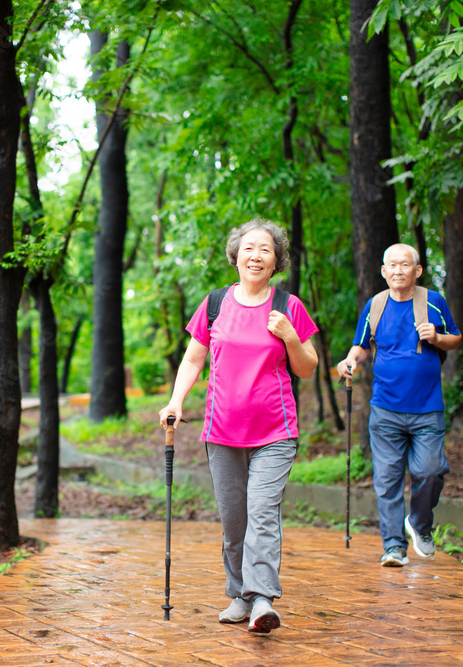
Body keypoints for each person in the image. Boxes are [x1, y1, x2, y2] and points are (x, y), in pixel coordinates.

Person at [159, 218, 319, 633]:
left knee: (262, 514)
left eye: (265, 249)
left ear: (276, 260)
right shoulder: (215, 304)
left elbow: (308, 368)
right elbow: (194, 358)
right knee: (234, 521)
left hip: (275, 432)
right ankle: (240, 596)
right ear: (236, 256)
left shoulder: (288, 306)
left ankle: (263, 599)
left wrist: (290, 338)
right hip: (222, 430)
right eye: (249, 247)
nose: (256, 255)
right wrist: (176, 401)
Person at [336, 243, 461, 567]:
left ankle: (419, 525)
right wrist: (350, 362)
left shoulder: (433, 302)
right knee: (388, 481)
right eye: (391, 265)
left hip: (427, 408)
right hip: (386, 409)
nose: (398, 271)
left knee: (430, 471)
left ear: (417, 270)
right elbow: (361, 347)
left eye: (405, 265)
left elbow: (456, 338)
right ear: (383, 270)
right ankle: (393, 547)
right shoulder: (376, 305)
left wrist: (436, 337)